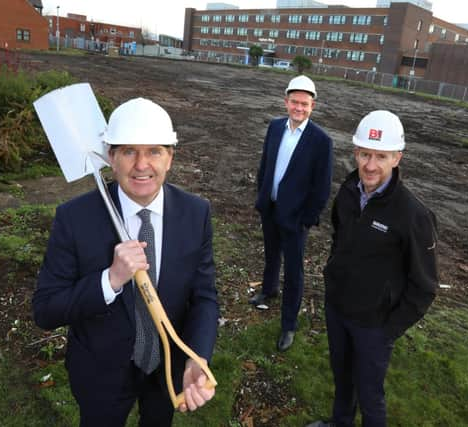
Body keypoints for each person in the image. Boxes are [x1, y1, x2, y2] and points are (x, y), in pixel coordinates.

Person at [33, 98, 219, 427]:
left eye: (154, 151)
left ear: (170, 157)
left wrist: (196, 356)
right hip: (100, 375)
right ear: (110, 158)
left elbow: (204, 296)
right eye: (129, 151)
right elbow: (46, 310)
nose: (141, 165)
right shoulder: (74, 218)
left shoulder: (196, 213)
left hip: (167, 369)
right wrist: (111, 279)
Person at [308, 111, 438, 427]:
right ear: (355, 152)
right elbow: (340, 238)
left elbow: (424, 287)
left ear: (397, 157)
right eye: (365, 154)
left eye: (381, 156)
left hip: (374, 326)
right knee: (342, 379)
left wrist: (387, 332)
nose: (370, 165)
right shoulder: (349, 192)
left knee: (370, 396)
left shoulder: (413, 215)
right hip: (338, 310)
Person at [253, 75, 333, 352]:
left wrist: (307, 218)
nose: (299, 108)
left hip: (295, 218)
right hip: (270, 207)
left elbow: (322, 186)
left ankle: (288, 325)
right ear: (286, 102)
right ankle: (268, 289)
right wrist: (261, 194)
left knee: (295, 271)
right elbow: (266, 164)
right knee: (271, 253)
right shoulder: (275, 128)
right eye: (294, 102)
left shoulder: (321, 141)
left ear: (312, 106)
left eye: (305, 104)